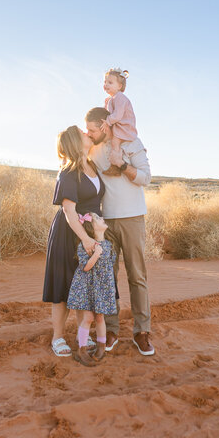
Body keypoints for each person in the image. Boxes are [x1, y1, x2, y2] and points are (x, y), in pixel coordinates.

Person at [86, 107, 155, 356]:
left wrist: (122, 164)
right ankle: (112, 329)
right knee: (109, 279)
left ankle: (141, 332)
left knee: (137, 276)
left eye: (93, 129)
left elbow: (146, 177)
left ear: (105, 125)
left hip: (133, 218)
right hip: (106, 222)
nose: (89, 134)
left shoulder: (131, 142)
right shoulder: (92, 148)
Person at [42, 125, 105, 358]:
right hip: (69, 234)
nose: (87, 133)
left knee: (85, 285)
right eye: (82, 133)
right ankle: (57, 337)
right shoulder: (69, 172)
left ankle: (82, 334)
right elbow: (69, 210)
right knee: (63, 285)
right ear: (74, 142)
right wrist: (86, 238)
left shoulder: (93, 166)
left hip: (89, 233)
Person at [67, 212, 117, 367]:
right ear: (92, 227)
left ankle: (101, 347)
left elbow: (110, 265)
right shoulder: (85, 245)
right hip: (87, 287)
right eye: (98, 219)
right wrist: (96, 254)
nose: (103, 219)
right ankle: (81, 350)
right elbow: (86, 267)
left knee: (100, 318)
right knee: (88, 318)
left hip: (101, 287)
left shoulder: (109, 244)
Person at [101, 68, 138, 176]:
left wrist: (107, 121)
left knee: (115, 143)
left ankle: (115, 166)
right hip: (118, 125)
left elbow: (117, 115)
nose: (106, 84)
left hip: (124, 126)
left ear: (119, 86)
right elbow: (108, 112)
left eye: (110, 82)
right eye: (105, 82)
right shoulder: (111, 98)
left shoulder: (120, 97)